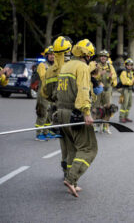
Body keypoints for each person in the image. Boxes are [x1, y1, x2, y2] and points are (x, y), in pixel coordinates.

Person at [56, 39, 97, 197]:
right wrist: (86, 112)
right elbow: (83, 90)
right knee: (88, 148)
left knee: (72, 148)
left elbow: (57, 93)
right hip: (76, 114)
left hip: (61, 113)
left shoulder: (65, 66)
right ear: (86, 55)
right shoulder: (82, 67)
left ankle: (71, 182)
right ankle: (71, 179)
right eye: (90, 56)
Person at [41, 36, 72, 177]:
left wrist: (54, 101)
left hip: (56, 112)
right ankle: (70, 174)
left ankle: (65, 169)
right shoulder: (73, 67)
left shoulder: (50, 70)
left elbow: (45, 93)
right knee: (73, 144)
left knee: (63, 142)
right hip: (72, 111)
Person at [35, 46, 56, 141]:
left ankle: (46, 132)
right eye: (50, 54)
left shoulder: (55, 66)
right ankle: (38, 134)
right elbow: (44, 77)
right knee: (42, 112)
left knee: (50, 112)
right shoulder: (42, 65)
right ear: (46, 56)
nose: (52, 56)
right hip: (44, 92)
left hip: (52, 92)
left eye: (54, 54)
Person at [95, 50, 118, 133]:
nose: (103, 57)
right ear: (100, 57)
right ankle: (97, 125)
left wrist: (110, 78)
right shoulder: (96, 66)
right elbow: (93, 76)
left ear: (107, 58)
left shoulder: (110, 67)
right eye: (101, 56)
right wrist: (100, 74)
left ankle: (106, 126)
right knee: (97, 107)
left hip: (107, 90)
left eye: (104, 56)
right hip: (98, 89)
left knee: (108, 109)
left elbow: (114, 79)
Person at [119, 58, 134, 123]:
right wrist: (133, 81)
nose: (129, 66)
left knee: (129, 104)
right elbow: (124, 82)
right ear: (125, 65)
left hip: (130, 90)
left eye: (131, 65)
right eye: (128, 65)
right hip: (125, 90)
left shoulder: (131, 73)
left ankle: (126, 117)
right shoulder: (123, 73)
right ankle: (121, 117)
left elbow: (132, 81)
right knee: (124, 103)